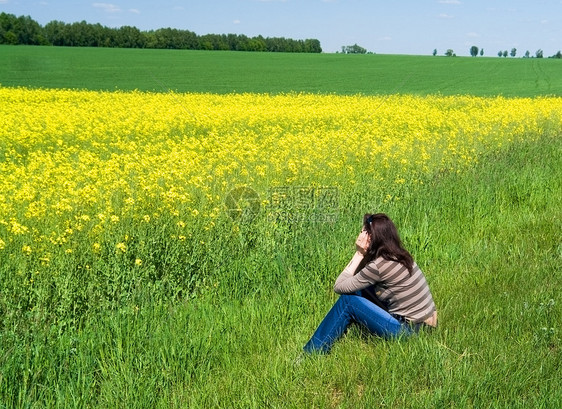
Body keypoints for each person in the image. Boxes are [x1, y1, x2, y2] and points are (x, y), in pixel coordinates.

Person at [303, 213, 437, 354]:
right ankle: (341, 329)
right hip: (427, 327)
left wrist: (359, 254)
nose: (360, 235)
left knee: (348, 301)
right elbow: (358, 279)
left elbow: (339, 286)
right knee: (361, 290)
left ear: (373, 238)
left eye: (364, 232)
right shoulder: (398, 255)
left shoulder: (379, 266)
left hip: (408, 332)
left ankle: (312, 353)